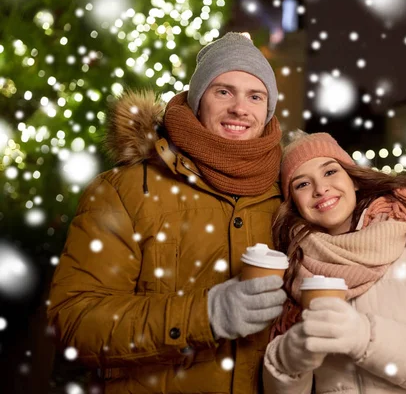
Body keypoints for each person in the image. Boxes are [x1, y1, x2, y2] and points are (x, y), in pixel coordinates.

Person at [47, 32, 287, 393]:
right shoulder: (124, 190)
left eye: (255, 96)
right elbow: (75, 321)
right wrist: (204, 315)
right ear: (197, 100)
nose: (240, 108)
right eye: (223, 91)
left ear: (267, 110)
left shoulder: (288, 192)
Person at [262, 132, 406, 393]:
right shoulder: (293, 270)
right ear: (293, 202)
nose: (320, 189)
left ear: (354, 180)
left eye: (330, 172)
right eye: (302, 184)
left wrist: (366, 338)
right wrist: (287, 360)